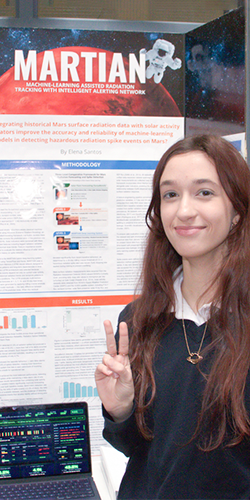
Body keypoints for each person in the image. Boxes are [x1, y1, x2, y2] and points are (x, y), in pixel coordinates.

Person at [96, 135, 250, 498]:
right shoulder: (139, 319)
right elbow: (135, 447)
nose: (183, 211)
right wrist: (121, 411)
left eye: (204, 193)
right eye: (170, 195)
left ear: (237, 211)